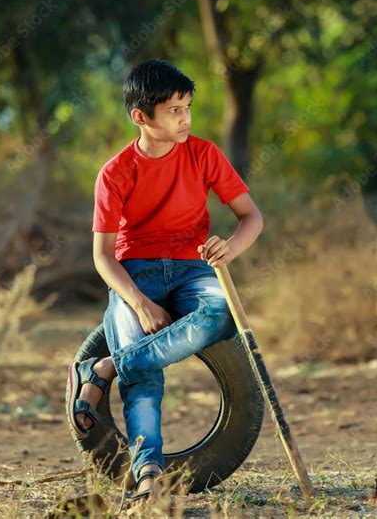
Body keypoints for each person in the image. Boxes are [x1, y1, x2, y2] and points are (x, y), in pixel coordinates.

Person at [67, 59, 264, 509]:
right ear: (141, 116)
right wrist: (137, 302)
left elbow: (252, 217)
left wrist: (230, 247)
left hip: (194, 270)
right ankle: (149, 476)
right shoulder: (115, 172)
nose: (185, 118)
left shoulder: (204, 154)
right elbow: (102, 255)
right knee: (147, 377)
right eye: (173, 109)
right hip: (134, 272)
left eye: (188, 106)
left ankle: (105, 368)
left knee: (221, 314)